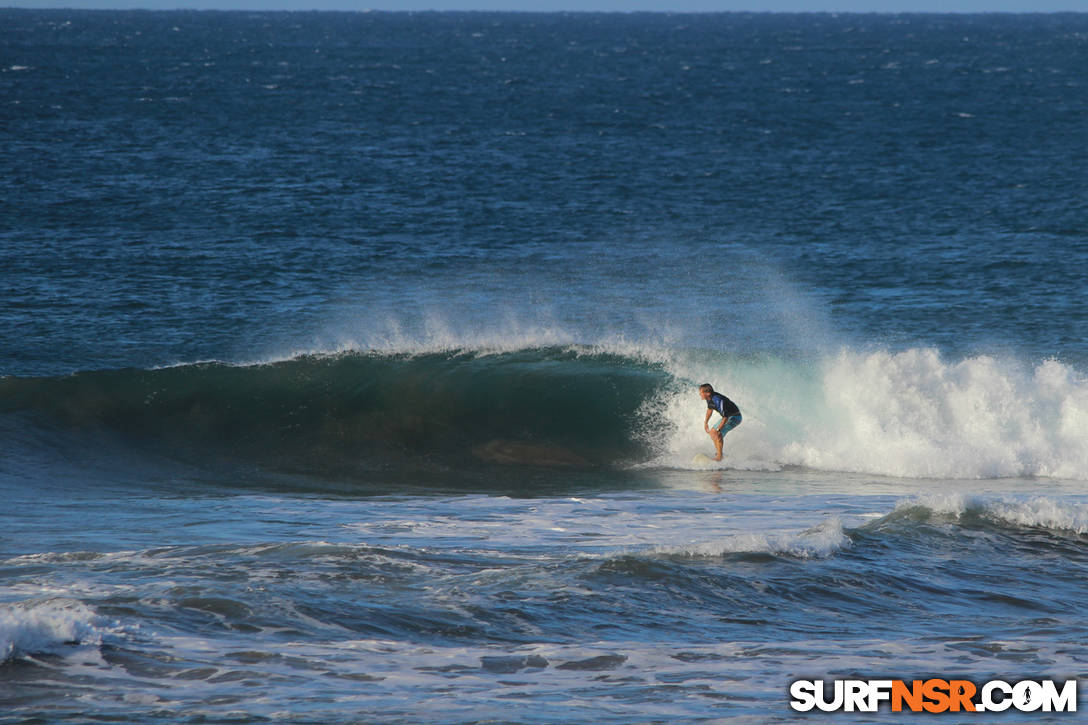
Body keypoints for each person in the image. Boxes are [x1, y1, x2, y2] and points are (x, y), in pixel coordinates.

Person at [699, 383, 741, 461]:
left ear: (707, 393)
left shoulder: (718, 400)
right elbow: (709, 409)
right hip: (728, 416)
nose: (699, 394)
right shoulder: (709, 398)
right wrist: (706, 422)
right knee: (712, 432)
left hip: (735, 417)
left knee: (718, 433)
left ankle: (719, 456)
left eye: (701, 392)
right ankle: (719, 454)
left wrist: (719, 429)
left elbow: (725, 417)